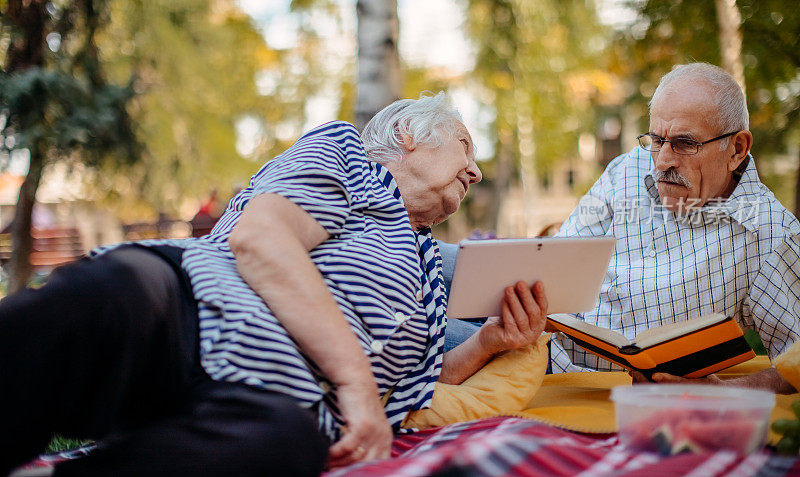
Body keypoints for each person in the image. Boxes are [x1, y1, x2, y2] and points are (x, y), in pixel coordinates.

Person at [0, 92, 549, 476]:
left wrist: (492, 341)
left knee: (282, 448)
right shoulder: (348, 158)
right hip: (187, 309)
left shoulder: (426, 266)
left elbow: (425, 378)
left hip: (265, 404)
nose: (475, 174)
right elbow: (261, 240)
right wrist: (357, 386)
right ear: (408, 133)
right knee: (105, 299)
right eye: (466, 148)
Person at [548, 62, 799, 392]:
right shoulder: (626, 171)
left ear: (737, 149)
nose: (663, 161)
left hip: (616, 396)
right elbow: (557, 266)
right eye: (656, 139)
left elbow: (795, 360)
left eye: (684, 143)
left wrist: (724, 393)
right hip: (539, 355)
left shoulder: (769, 233)